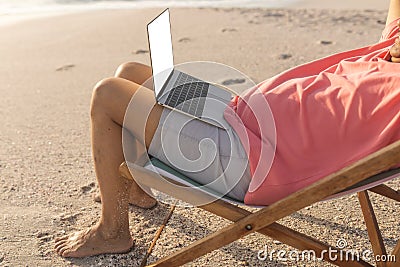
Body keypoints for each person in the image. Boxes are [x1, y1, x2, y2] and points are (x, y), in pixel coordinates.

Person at [55, 1, 400, 258]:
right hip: (237, 113)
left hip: (248, 160)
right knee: (131, 72)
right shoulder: (391, 51)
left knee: (108, 95)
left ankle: (113, 231)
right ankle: (134, 191)